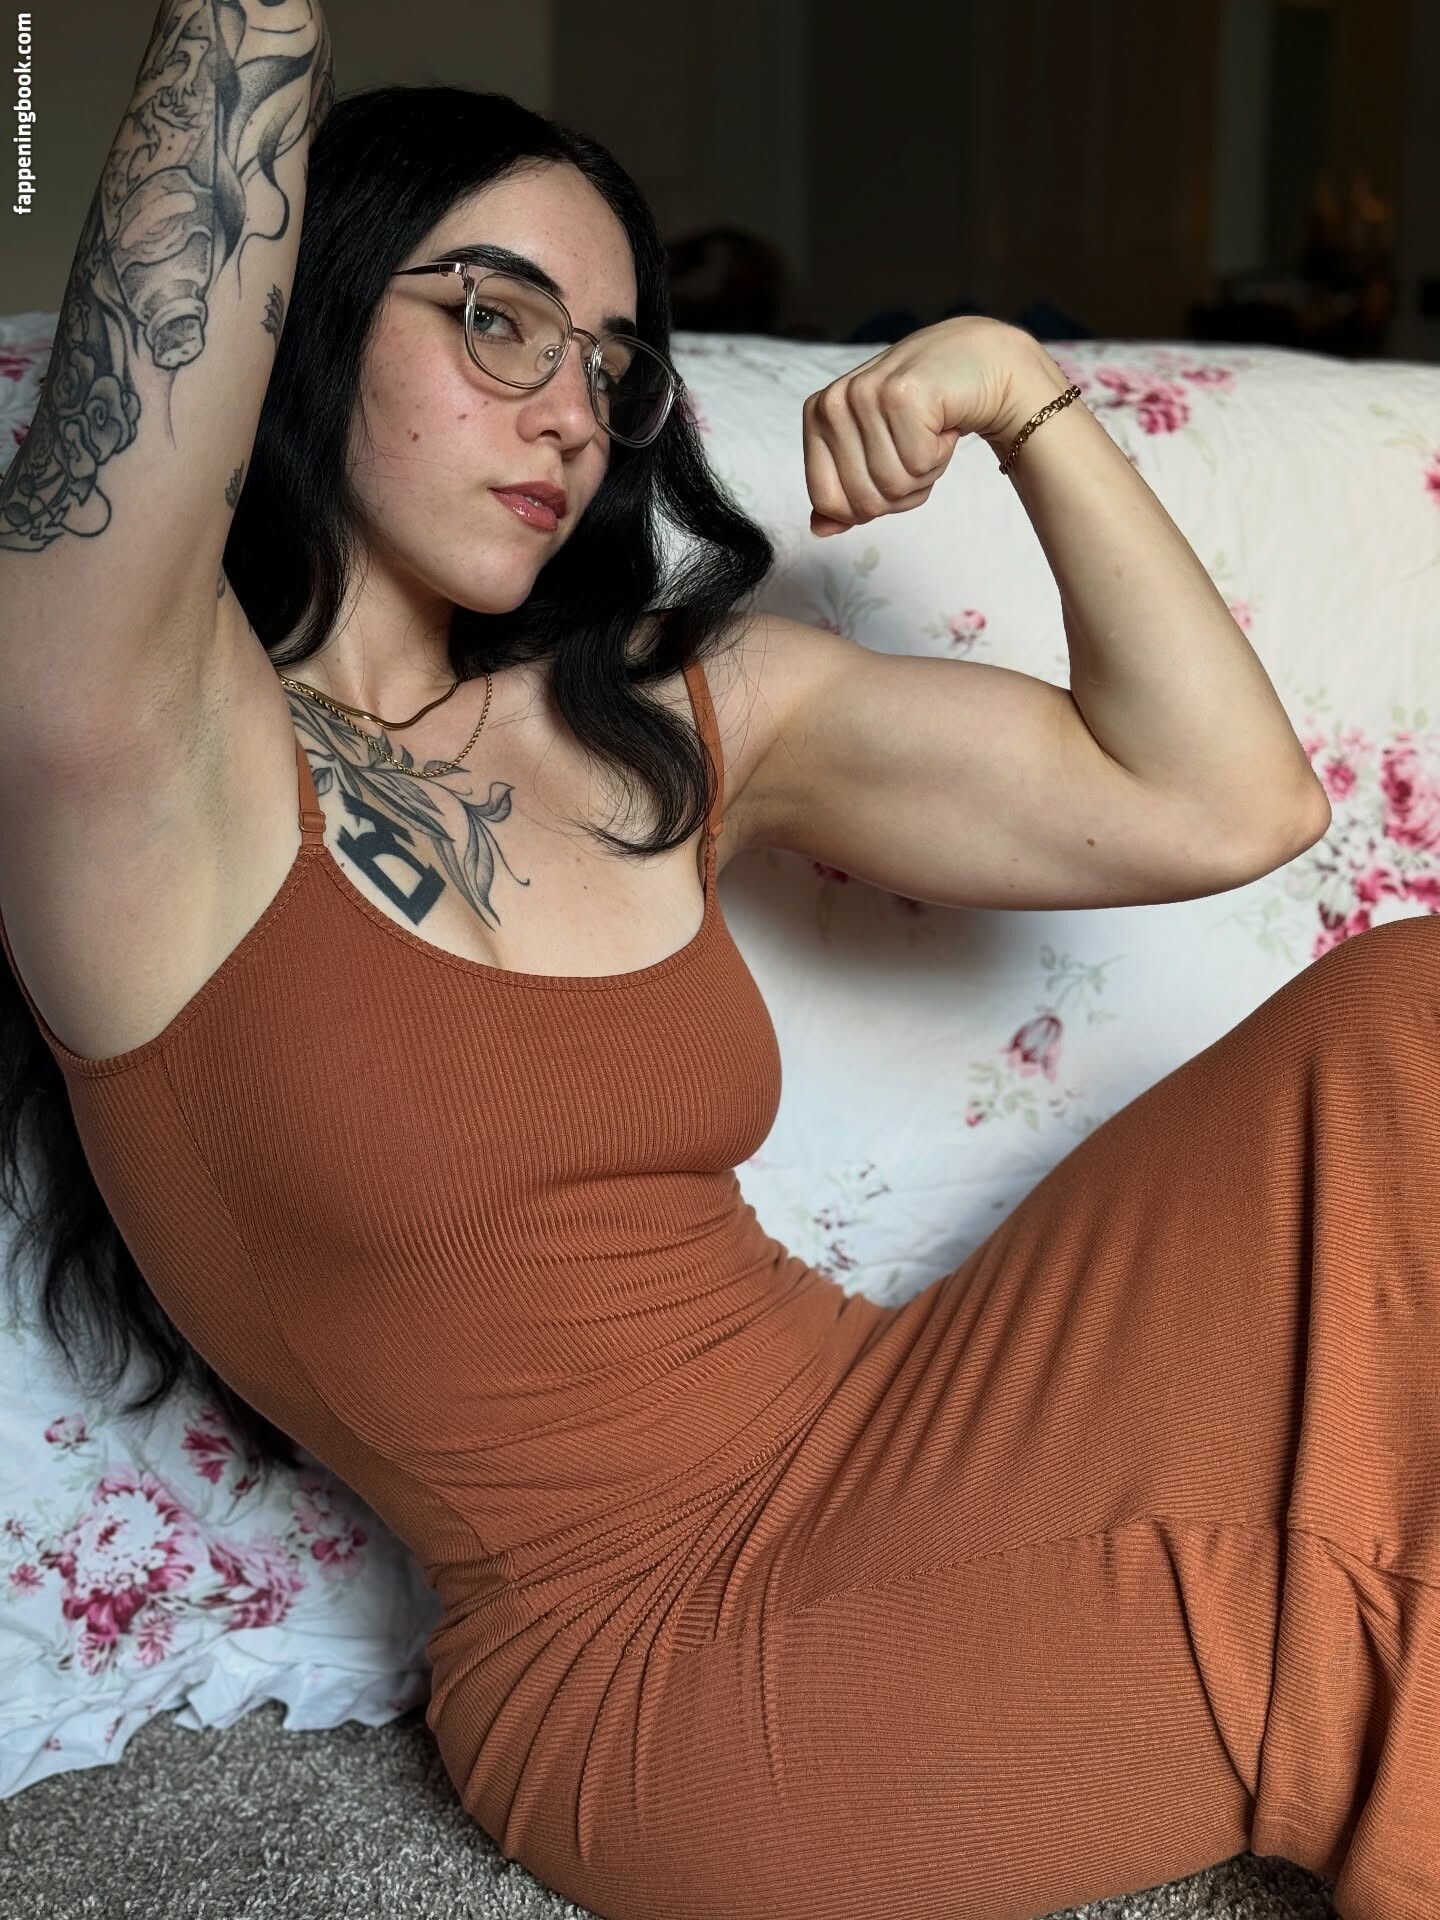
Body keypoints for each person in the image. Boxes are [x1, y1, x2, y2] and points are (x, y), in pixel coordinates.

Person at [0, 8, 1436, 1919]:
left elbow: (1223, 802)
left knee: (1409, 1015)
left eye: (612, 365)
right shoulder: (134, 776)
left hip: (904, 1421)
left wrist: (1023, 396)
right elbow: (161, 327)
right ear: (310, 315)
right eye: (496, 320)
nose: (568, 413)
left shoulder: (657, 719)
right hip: (671, 1669)